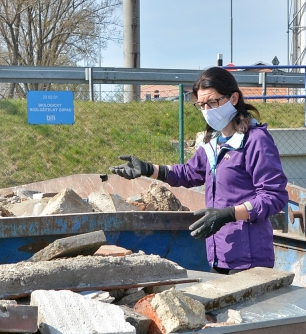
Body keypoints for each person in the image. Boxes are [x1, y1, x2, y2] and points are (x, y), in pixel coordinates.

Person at [110, 66, 287, 272]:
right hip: (219, 255)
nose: (206, 110)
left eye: (212, 102)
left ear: (234, 98)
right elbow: (189, 173)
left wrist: (228, 214)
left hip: (249, 259)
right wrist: (149, 169)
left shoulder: (255, 140)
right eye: (201, 104)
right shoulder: (213, 143)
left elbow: (274, 196)